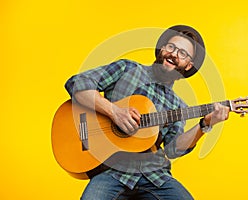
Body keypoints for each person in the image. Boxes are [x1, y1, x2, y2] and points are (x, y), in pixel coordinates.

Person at [65, 25, 230, 200]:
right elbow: (78, 83)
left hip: (154, 176)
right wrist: (114, 112)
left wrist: (204, 125)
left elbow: (174, 149)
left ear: (188, 66)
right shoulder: (126, 69)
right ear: (162, 49)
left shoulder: (178, 106)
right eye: (171, 47)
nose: (174, 54)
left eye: (182, 53)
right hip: (111, 170)